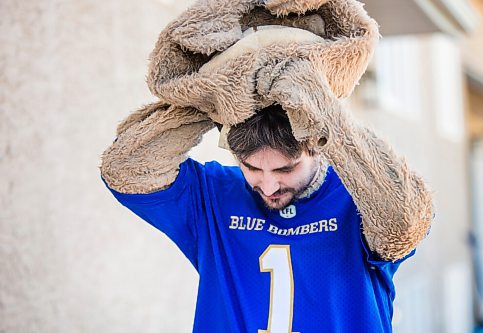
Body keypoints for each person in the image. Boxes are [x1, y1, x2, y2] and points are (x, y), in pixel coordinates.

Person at [100, 0, 434, 331]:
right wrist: (217, 91)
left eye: (285, 169)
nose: (268, 187)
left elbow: (404, 224)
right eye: (252, 168)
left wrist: (320, 103)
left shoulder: (360, 198)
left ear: (319, 146)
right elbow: (127, 168)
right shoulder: (213, 196)